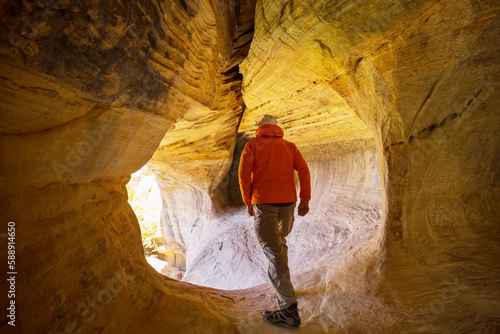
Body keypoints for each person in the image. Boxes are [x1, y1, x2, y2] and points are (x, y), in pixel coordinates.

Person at [238, 114, 311, 328]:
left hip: (265, 202)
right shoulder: (289, 146)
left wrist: (248, 201)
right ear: (276, 128)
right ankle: (285, 290)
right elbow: (304, 171)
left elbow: (244, 175)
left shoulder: (252, 145)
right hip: (288, 203)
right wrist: (304, 199)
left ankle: (288, 309)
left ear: (260, 129)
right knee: (280, 245)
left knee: (273, 250)